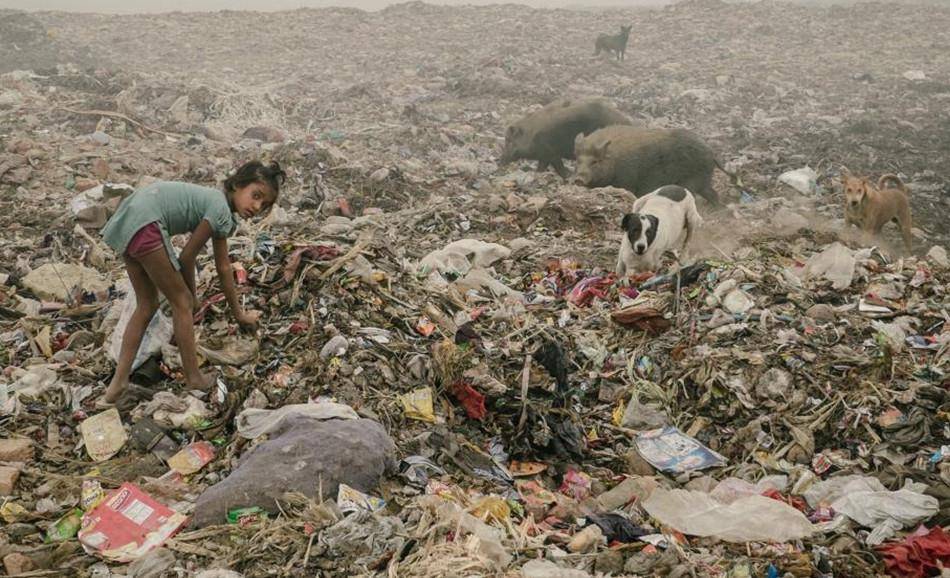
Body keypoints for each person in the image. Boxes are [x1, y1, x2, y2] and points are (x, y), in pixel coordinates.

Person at [97, 160, 286, 407]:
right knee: (182, 303)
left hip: (132, 216)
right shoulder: (218, 205)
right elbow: (187, 256)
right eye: (256, 195)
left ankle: (117, 385)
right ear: (238, 185)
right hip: (147, 220)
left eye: (264, 205)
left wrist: (238, 313)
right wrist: (191, 297)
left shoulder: (220, 211)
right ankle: (194, 378)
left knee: (147, 305)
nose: (257, 206)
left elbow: (223, 267)